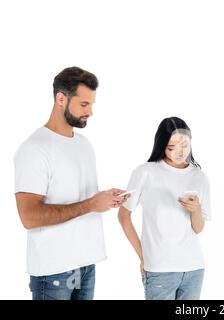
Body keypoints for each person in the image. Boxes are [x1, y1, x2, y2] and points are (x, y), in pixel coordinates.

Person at [14, 66, 128, 300]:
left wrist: (105, 199)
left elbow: (83, 197)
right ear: (61, 98)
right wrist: (90, 205)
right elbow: (29, 216)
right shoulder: (34, 149)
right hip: (52, 270)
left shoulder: (84, 144)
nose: (91, 112)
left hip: (86, 265)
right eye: (84, 104)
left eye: (92, 104)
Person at [118, 117, 211, 300]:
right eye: (171, 147)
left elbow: (198, 229)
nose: (179, 151)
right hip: (159, 269)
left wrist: (196, 209)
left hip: (193, 268)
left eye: (184, 144)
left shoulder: (199, 176)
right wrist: (142, 255)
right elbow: (123, 216)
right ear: (162, 146)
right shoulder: (145, 172)